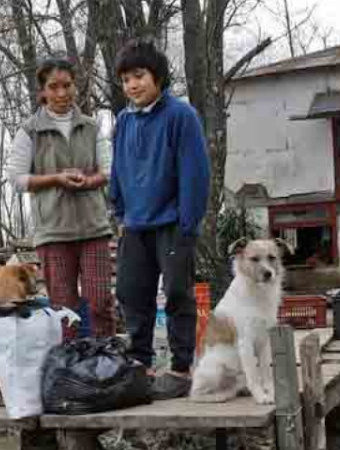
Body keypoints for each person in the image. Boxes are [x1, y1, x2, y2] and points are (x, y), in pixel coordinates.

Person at [110, 40, 211, 400]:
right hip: (135, 225)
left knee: (179, 295)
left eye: (139, 76)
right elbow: (118, 171)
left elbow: (196, 173)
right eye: (125, 79)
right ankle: (140, 364)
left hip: (172, 223)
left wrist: (188, 223)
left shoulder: (181, 116)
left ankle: (181, 370)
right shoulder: (122, 121)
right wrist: (120, 213)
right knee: (131, 293)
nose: (132, 85)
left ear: (158, 77)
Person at [8, 57, 114, 338]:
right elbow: (17, 179)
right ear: (42, 91)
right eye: (53, 87)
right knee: (64, 310)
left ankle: (106, 366)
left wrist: (89, 180)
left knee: (100, 302)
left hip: (94, 228)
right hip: (53, 232)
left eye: (67, 85)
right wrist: (56, 178)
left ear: (75, 87)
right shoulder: (29, 130)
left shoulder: (91, 127)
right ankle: (71, 371)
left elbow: (109, 169)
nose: (61, 93)